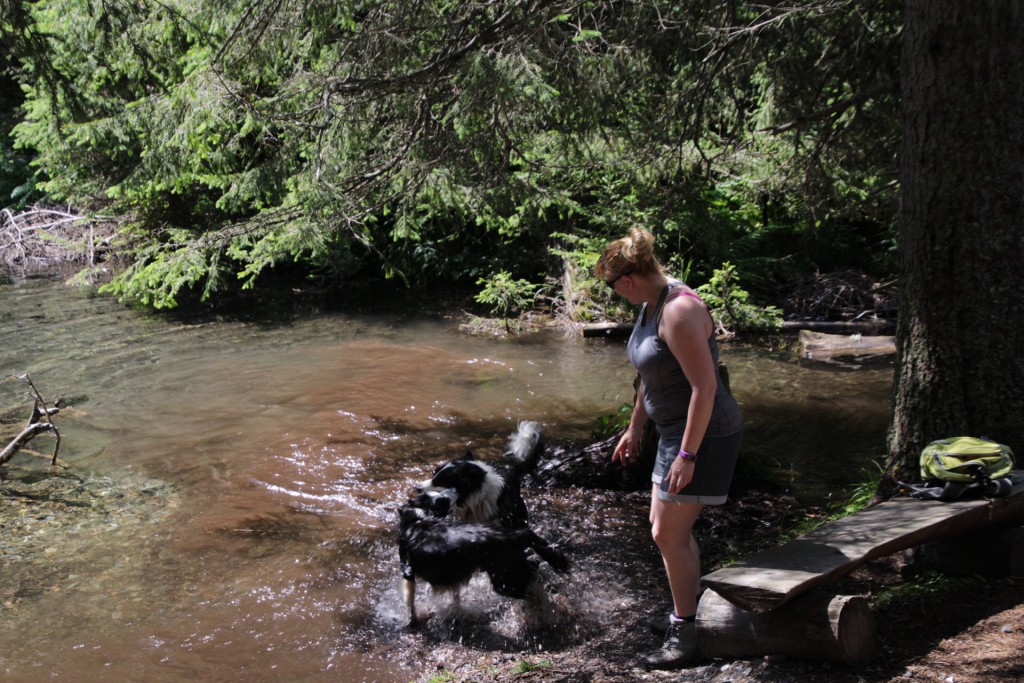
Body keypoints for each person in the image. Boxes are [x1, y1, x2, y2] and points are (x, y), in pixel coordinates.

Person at [595, 227, 743, 670]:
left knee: (668, 533)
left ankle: (686, 633)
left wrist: (688, 455)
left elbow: (704, 387)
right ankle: (689, 610)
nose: (617, 297)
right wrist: (635, 427)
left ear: (627, 281)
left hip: (704, 434)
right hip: (674, 432)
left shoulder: (678, 311)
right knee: (665, 527)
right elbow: (651, 375)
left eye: (614, 290)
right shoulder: (650, 304)